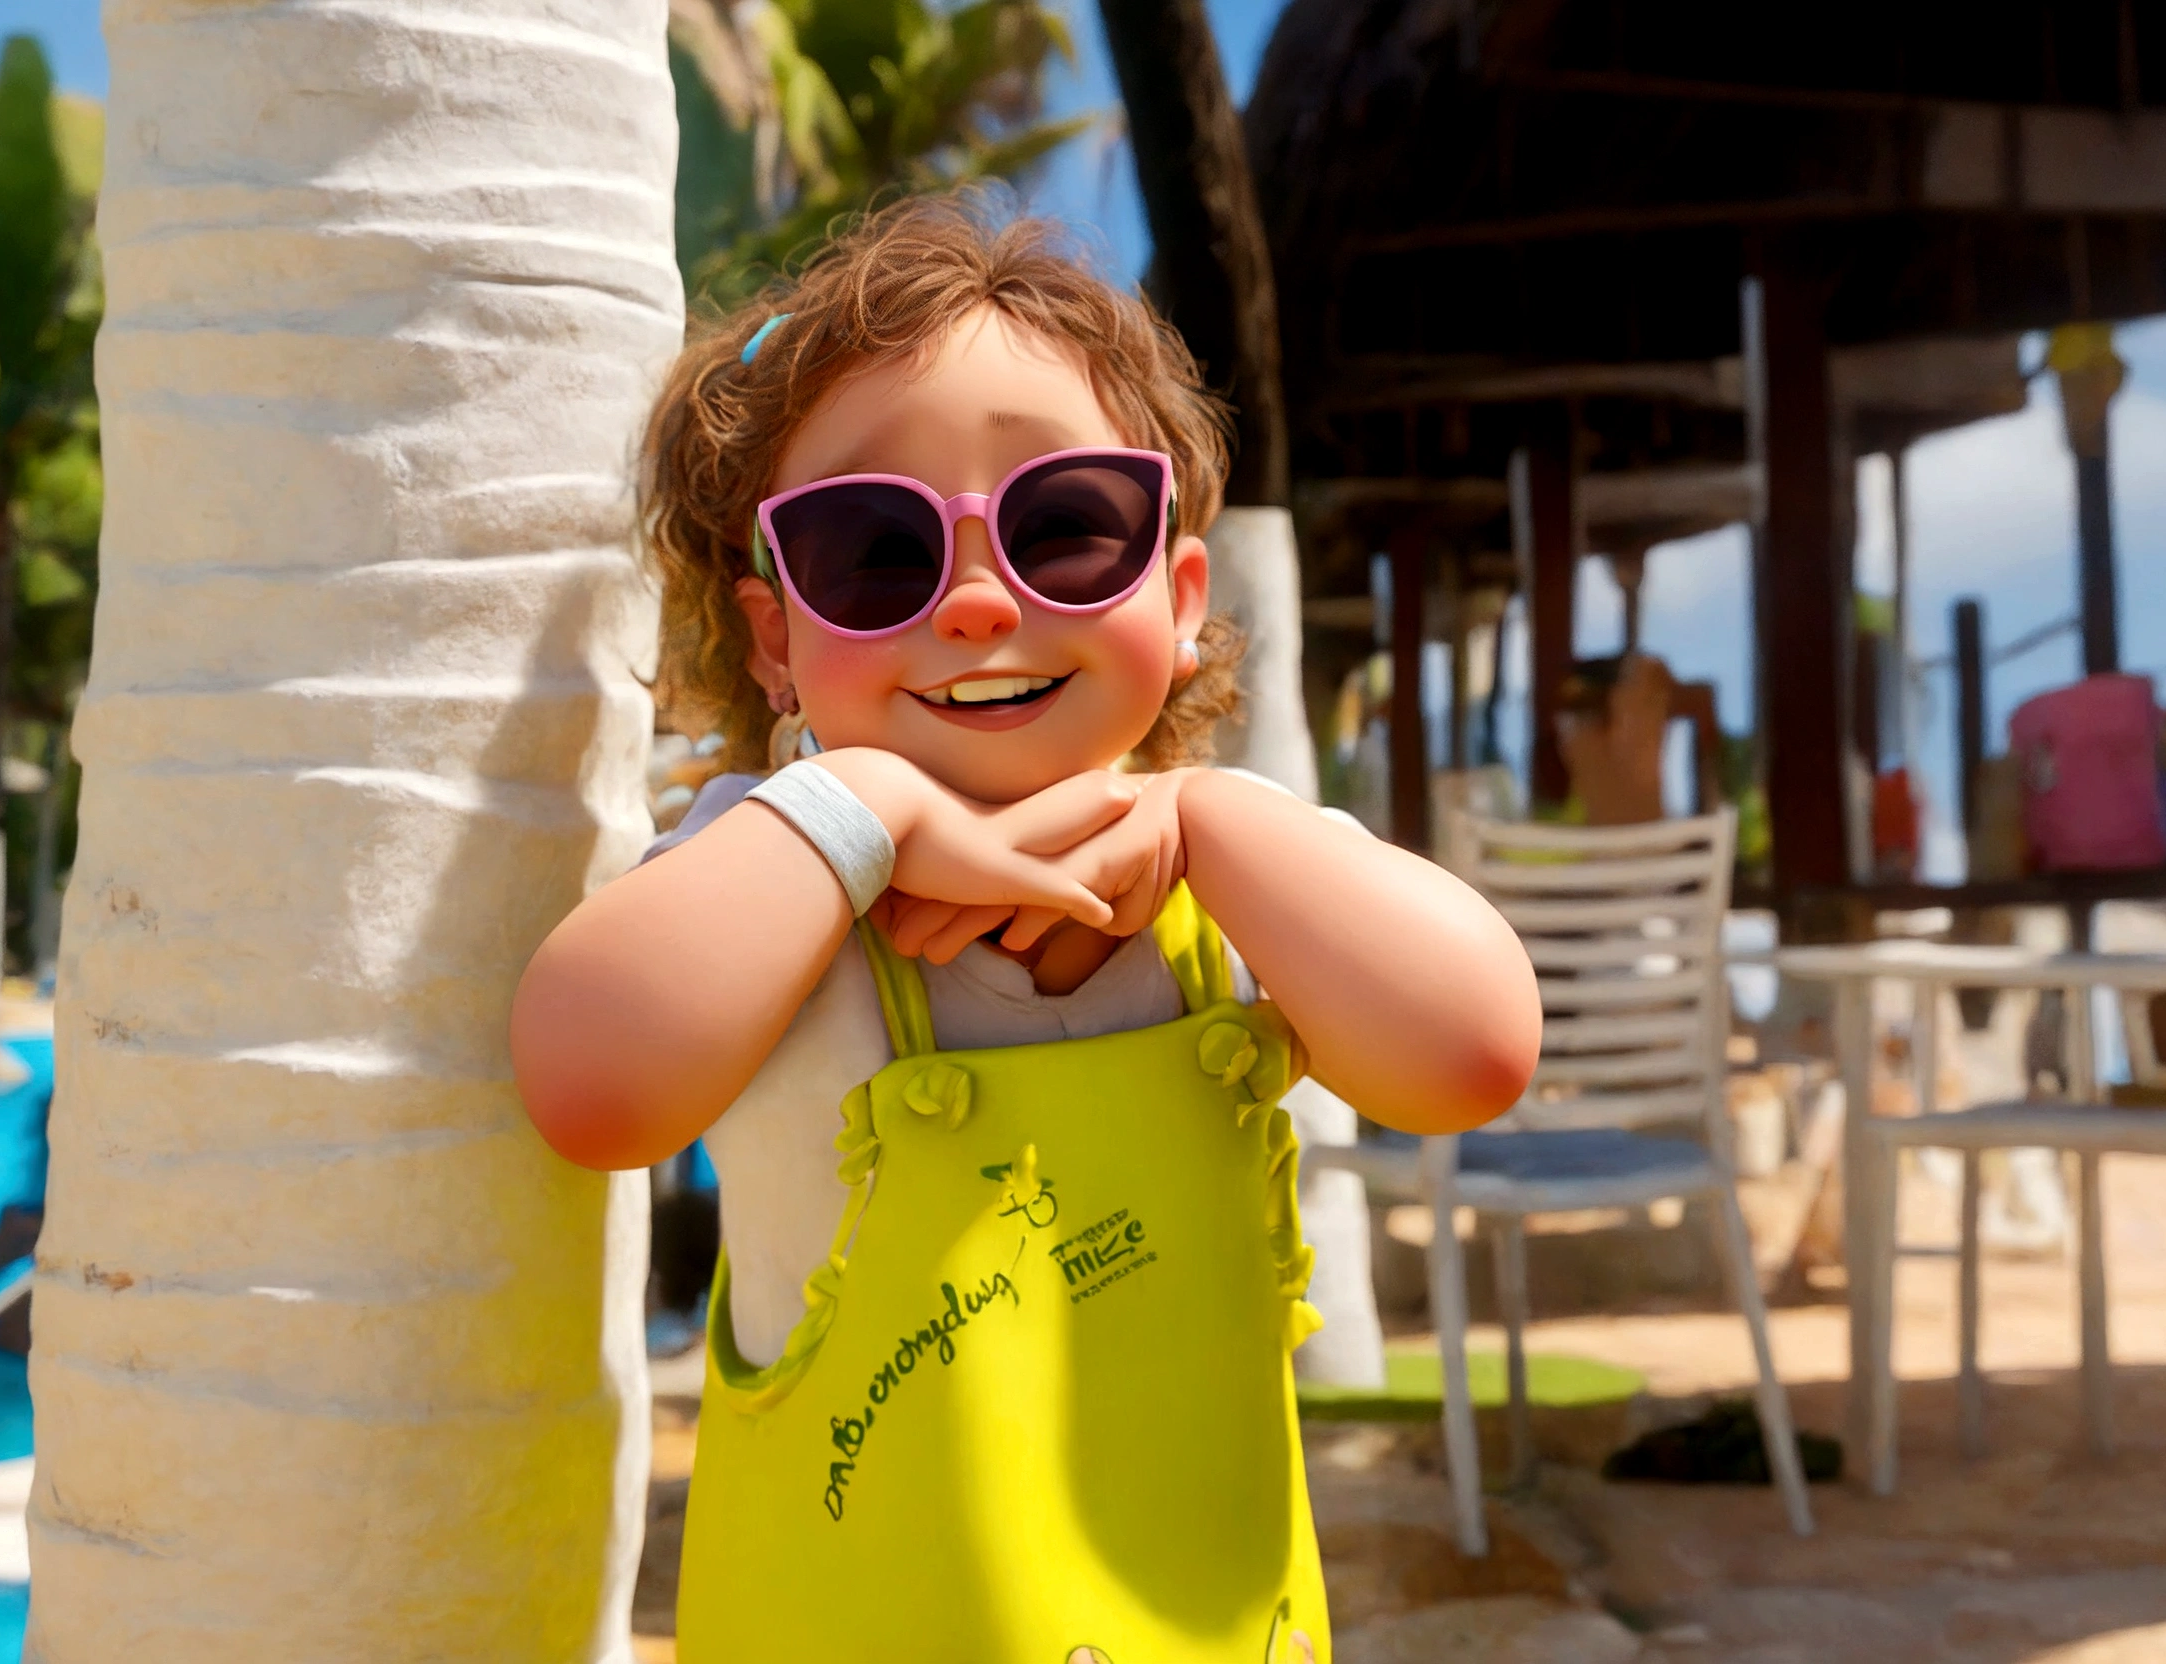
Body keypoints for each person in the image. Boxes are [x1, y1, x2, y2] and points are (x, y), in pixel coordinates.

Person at [509, 195, 1540, 1663]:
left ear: (1179, 599)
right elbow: (588, 1081)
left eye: (1067, 529)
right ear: (776, 640)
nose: (983, 601)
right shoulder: (768, 877)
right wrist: (857, 809)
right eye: (875, 549)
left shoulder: (1241, 884)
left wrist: (1216, 823)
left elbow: (1475, 1053)